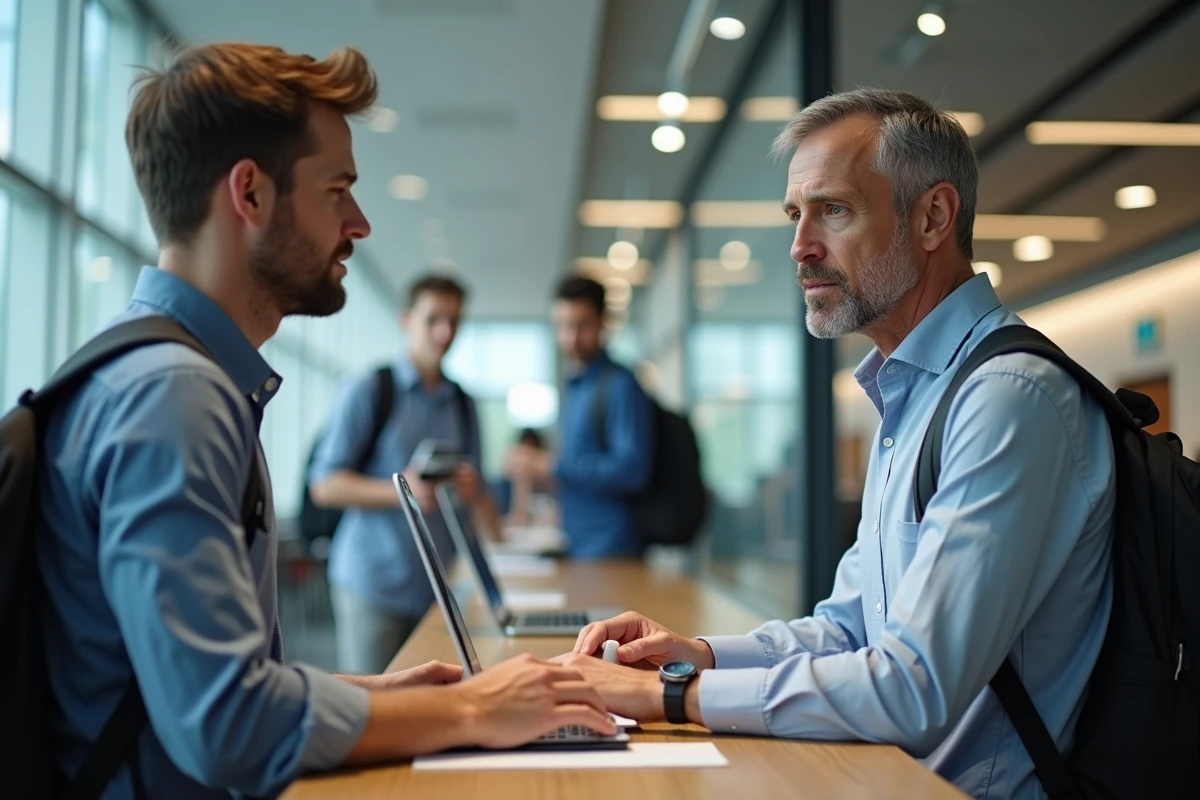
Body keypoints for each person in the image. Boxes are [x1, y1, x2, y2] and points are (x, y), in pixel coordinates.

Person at [36, 42, 613, 800]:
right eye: (338, 189)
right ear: (250, 194)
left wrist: (376, 696)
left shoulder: (160, 374)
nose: (361, 222)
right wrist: (468, 707)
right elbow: (222, 727)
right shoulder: (173, 395)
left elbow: (183, 685)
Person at [557, 88, 1115, 800]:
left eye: (834, 210)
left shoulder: (1005, 398)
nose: (800, 247)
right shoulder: (913, 393)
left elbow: (914, 688)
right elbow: (850, 629)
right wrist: (692, 657)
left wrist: (674, 699)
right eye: (796, 215)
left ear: (933, 217)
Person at [309, 273, 495, 674]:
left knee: (432, 708)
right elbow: (325, 485)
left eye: (454, 321)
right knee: (376, 711)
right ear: (406, 320)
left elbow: (477, 493)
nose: (445, 333)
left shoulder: (463, 404)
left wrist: (469, 488)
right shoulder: (369, 390)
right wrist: (401, 492)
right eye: (433, 320)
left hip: (437, 591)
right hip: (372, 582)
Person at [504, 276, 653, 558]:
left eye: (581, 325)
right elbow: (580, 467)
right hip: (577, 543)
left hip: (611, 549)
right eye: (562, 326)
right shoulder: (574, 386)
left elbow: (632, 470)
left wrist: (551, 466)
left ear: (603, 322)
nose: (570, 338)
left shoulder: (620, 385)